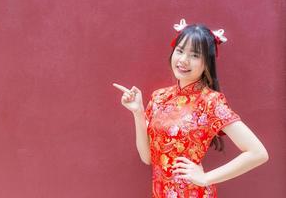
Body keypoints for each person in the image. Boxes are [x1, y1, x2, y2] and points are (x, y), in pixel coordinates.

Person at [113, 18, 269, 198]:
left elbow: (258, 153)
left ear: (206, 63)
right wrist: (138, 112)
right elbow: (147, 158)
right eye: (180, 51)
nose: (184, 60)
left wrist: (205, 178)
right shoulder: (159, 97)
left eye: (194, 55)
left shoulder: (210, 102)